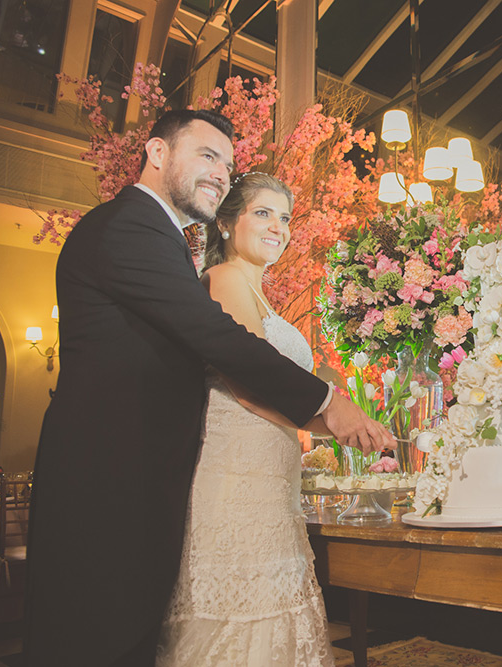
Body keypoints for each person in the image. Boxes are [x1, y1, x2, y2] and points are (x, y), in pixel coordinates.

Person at [25, 109, 394, 667]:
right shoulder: (127, 225)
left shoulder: (166, 240)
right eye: (207, 155)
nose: (222, 172)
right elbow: (214, 336)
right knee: (94, 640)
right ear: (156, 152)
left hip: (147, 480)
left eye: (227, 162)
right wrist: (327, 406)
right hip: (106, 481)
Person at [157, 173, 333, 665]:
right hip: (236, 476)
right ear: (228, 223)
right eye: (263, 213)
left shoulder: (261, 297)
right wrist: (335, 420)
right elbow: (252, 387)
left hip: (270, 478)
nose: (278, 226)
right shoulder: (225, 278)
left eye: (285, 217)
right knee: (239, 613)